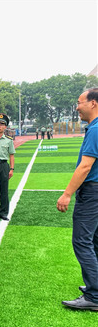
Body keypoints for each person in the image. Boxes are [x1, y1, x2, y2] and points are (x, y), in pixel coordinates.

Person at [57, 88, 98, 311]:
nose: (77, 107)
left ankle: (94, 296)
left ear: (93, 103)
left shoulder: (95, 129)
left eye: (80, 102)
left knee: (82, 241)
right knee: (95, 240)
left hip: (92, 192)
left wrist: (67, 193)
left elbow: (85, 166)